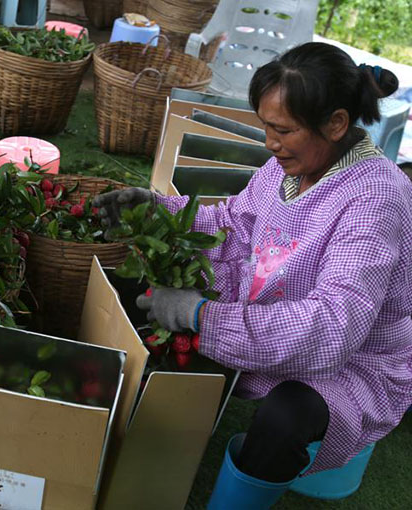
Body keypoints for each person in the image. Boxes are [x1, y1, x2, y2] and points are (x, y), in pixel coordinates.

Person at [95, 42, 412, 505]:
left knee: (286, 418)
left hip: (352, 357)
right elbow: (236, 223)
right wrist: (159, 212)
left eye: (282, 130)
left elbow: (333, 326)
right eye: (266, 127)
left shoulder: (376, 200)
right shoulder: (289, 166)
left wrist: (203, 317)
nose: (270, 143)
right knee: (139, 287)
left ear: (337, 123)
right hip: (271, 304)